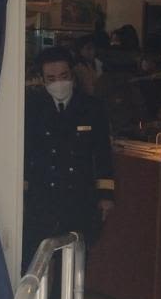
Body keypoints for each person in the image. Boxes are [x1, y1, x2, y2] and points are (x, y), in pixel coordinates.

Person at [22, 46, 114, 273]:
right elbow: (25, 152)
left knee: (72, 267)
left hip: (78, 198)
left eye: (63, 76)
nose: (58, 83)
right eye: (51, 78)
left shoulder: (91, 107)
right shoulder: (32, 107)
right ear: (43, 80)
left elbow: (103, 153)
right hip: (42, 198)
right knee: (32, 264)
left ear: (72, 75)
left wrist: (105, 195)